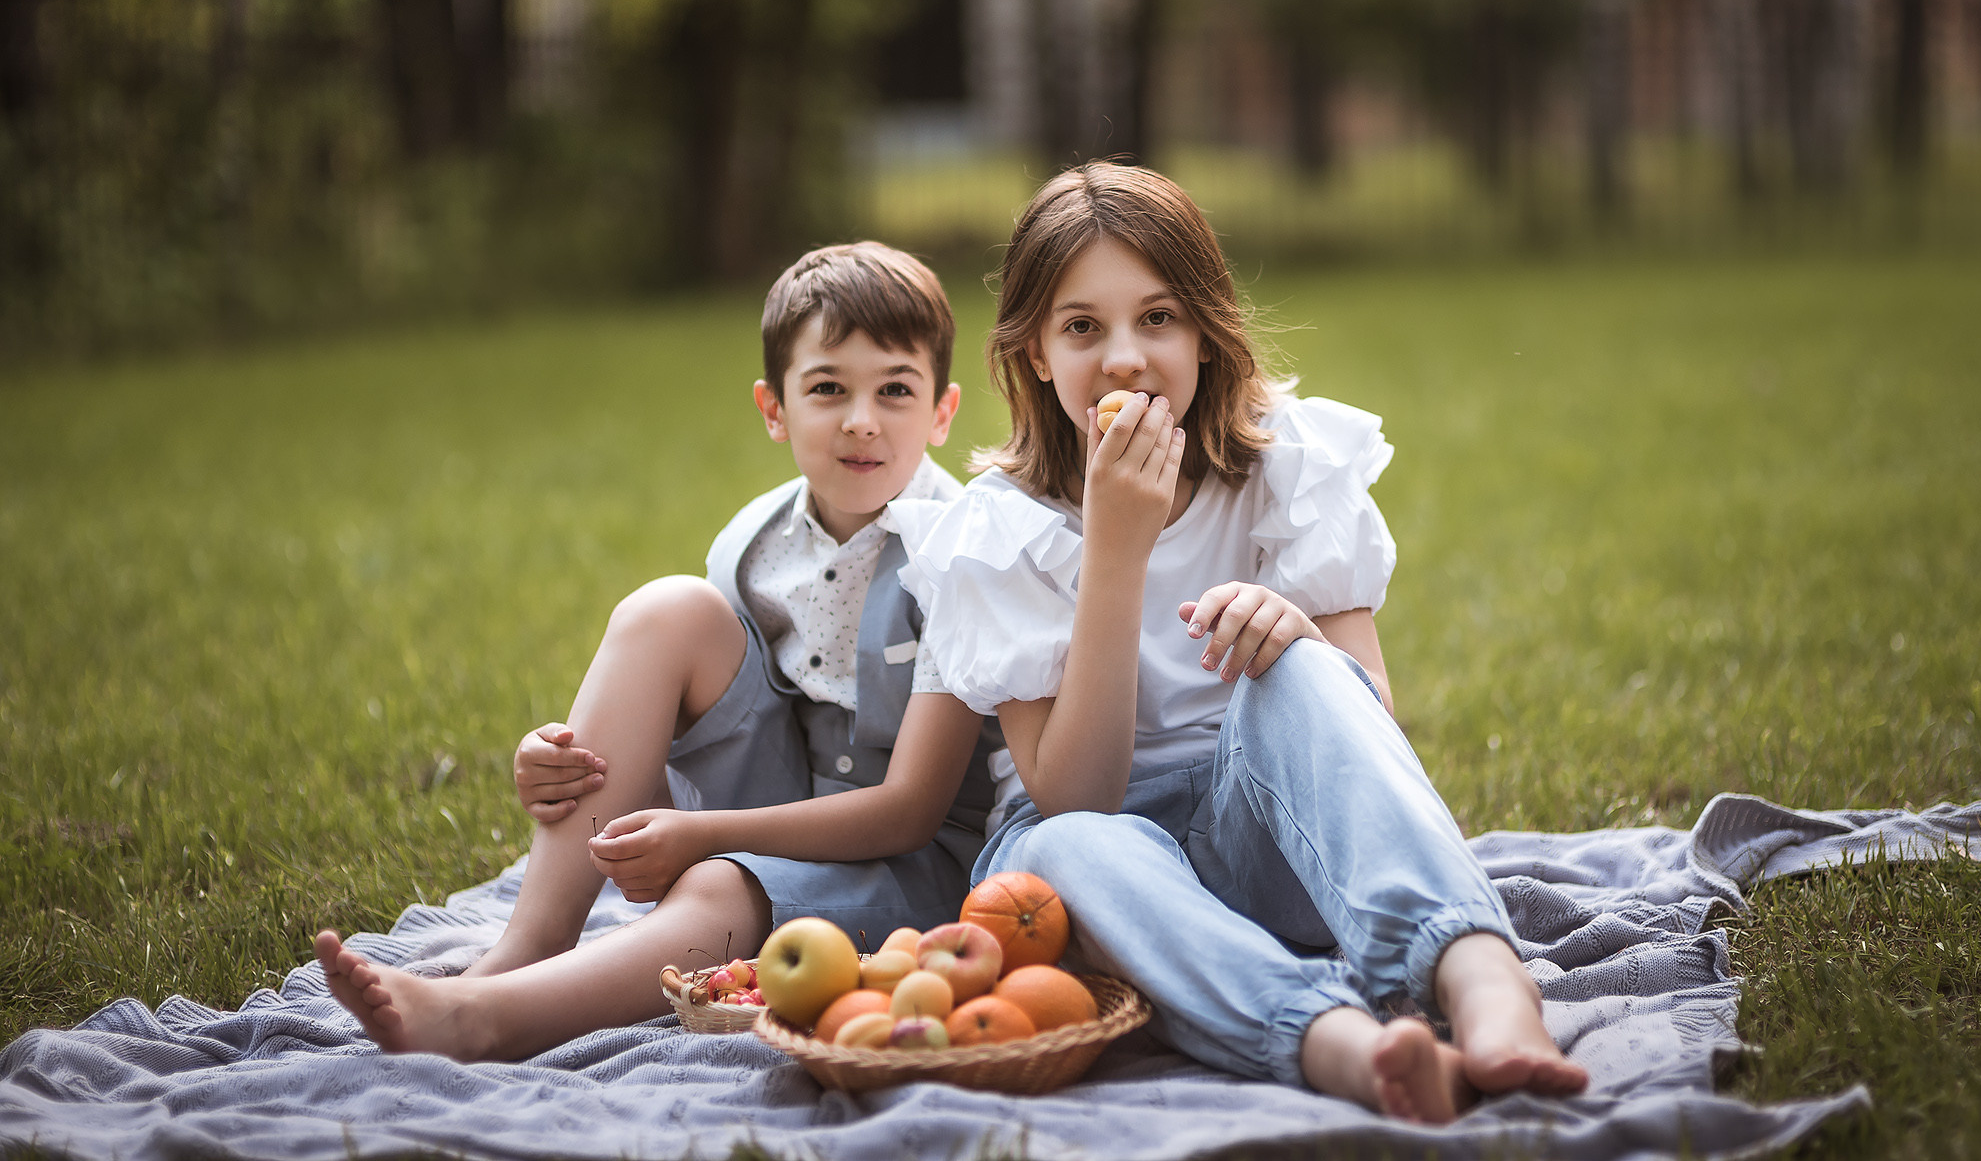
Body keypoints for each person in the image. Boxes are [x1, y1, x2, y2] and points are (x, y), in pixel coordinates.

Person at [900, 164, 1589, 1122]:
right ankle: (1341, 1043)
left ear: (1206, 333)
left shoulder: (1285, 465)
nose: (1127, 357)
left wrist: (1300, 635)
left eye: (1158, 318)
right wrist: (1114, 553)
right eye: (1083, 326)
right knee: (1059, 846)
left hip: (1268, 835)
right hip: (1116, 878)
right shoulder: (997, 529)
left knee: (1306, 664)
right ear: (1035, 355)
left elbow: (1368, 730)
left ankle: (1485, 985)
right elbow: (1076, 792)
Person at [318, 242, 1003, 1061]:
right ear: (773, 408)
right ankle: (526, 949)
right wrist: (565, 764)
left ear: (942, 411)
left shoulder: (960, 557)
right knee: (666, 608)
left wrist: (703, 836)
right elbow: (708, 740)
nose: (862, 418)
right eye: (827, 388)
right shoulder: (757, 547)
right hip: (784, 800)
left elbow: (911, 809)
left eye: (895, 389)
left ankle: (490, 1019)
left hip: (910, 864)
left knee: (715, 883)